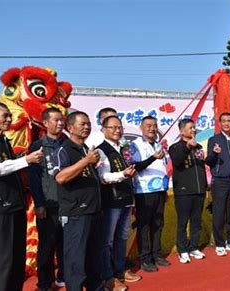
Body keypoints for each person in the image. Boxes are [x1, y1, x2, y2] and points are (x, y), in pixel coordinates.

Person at [0, 102, 43, 291]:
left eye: (10, 115)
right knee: (1, 258)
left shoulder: (4, 140)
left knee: (17, 257)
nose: (9, 119)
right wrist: (26, 160)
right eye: (4, 116)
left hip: (15, 205)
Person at [52, 111, 103, 291]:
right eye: (82, 124)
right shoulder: (63, 150)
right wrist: (86, 161)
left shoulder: (86, 150)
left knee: (94, 261)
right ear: (70, 127)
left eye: (88, 124)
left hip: (94, 212)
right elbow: (60, 177)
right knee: (76, 262)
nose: (86, 127)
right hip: (76, 215)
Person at [96, 115, 141, 290]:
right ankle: (108, 276)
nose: (117, 130)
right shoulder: (101, 150)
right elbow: (103, 177)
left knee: (122, 238)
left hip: (126, 199)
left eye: (119, 127)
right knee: (107, 241)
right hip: (111, 202)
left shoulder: (123, 150)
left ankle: (120, 270)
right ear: (103, 129)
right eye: (112, 127)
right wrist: (123, 174)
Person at [28, 108, 66, 290]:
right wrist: (39, 203)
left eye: (62, 120)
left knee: (66, 244)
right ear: (45, 123)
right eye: (56, 120)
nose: (60, 123)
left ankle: (64, 277)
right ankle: (44, 282)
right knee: (47, 247)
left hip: (69, 204)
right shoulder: (37, 146)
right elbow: (34, 178)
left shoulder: (68, 143)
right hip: (49, 204)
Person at [130, 116, 171, 272]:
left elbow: (162, 169)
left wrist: (165, 189)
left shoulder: (159, 145)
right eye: (148, 125)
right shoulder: (135, 145)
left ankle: (157, 254)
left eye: (154, 125)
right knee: (144, 225)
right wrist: (152, 158)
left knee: (158, 224)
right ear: (141, 127)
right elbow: (135, 166)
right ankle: (145, 258)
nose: (152, 128)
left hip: (159, 191)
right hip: (144, 192)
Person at [169, 119, 207, 263]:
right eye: (190, 128)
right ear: (181, 131)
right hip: (184, 191)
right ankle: (183, 250)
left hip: (199, 190)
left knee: (196, 222)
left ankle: (194, 247)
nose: (193, 130)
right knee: (183, 222)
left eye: (194, 128)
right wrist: (187, 147)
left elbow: (202, 166)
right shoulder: (175, 147)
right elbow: (177, 161)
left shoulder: (199, 147)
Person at [206, 112, 230, 256]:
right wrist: (214, 153)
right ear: (220, 123)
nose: (227, 124)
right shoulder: (214, 140)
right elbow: (208, 161)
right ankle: (220, 243)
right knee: (219, 212)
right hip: (220, 181)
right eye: (224, 121)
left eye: (229, 121)